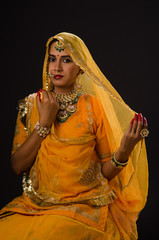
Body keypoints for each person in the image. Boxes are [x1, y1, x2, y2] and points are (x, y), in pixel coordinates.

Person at [0, 32, 149, 240]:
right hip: (37, 205)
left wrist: (124, 150)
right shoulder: (32, 104)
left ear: (80, 68)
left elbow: (105, 172)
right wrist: (44, 123)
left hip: (85, 207)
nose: (57, 67)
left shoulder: (92, 107)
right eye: (52, 59)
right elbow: (17, 165)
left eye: (67, 60)